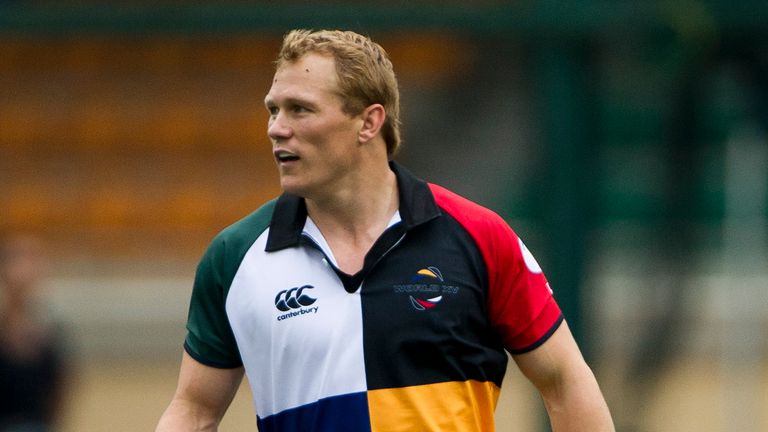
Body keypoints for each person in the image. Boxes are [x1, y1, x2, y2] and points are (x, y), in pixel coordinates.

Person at [156, 29, 614, 431]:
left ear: (369, 122)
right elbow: (194, 411)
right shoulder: (234, 257)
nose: (277, 128)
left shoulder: (479, 236)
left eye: (300, 110)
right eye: (273, 110)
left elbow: (566, 383)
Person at [0, 232, 67, 432]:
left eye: (33, 260)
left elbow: (58, 390)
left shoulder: (50, 330)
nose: (26, 269)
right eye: (19, 259)